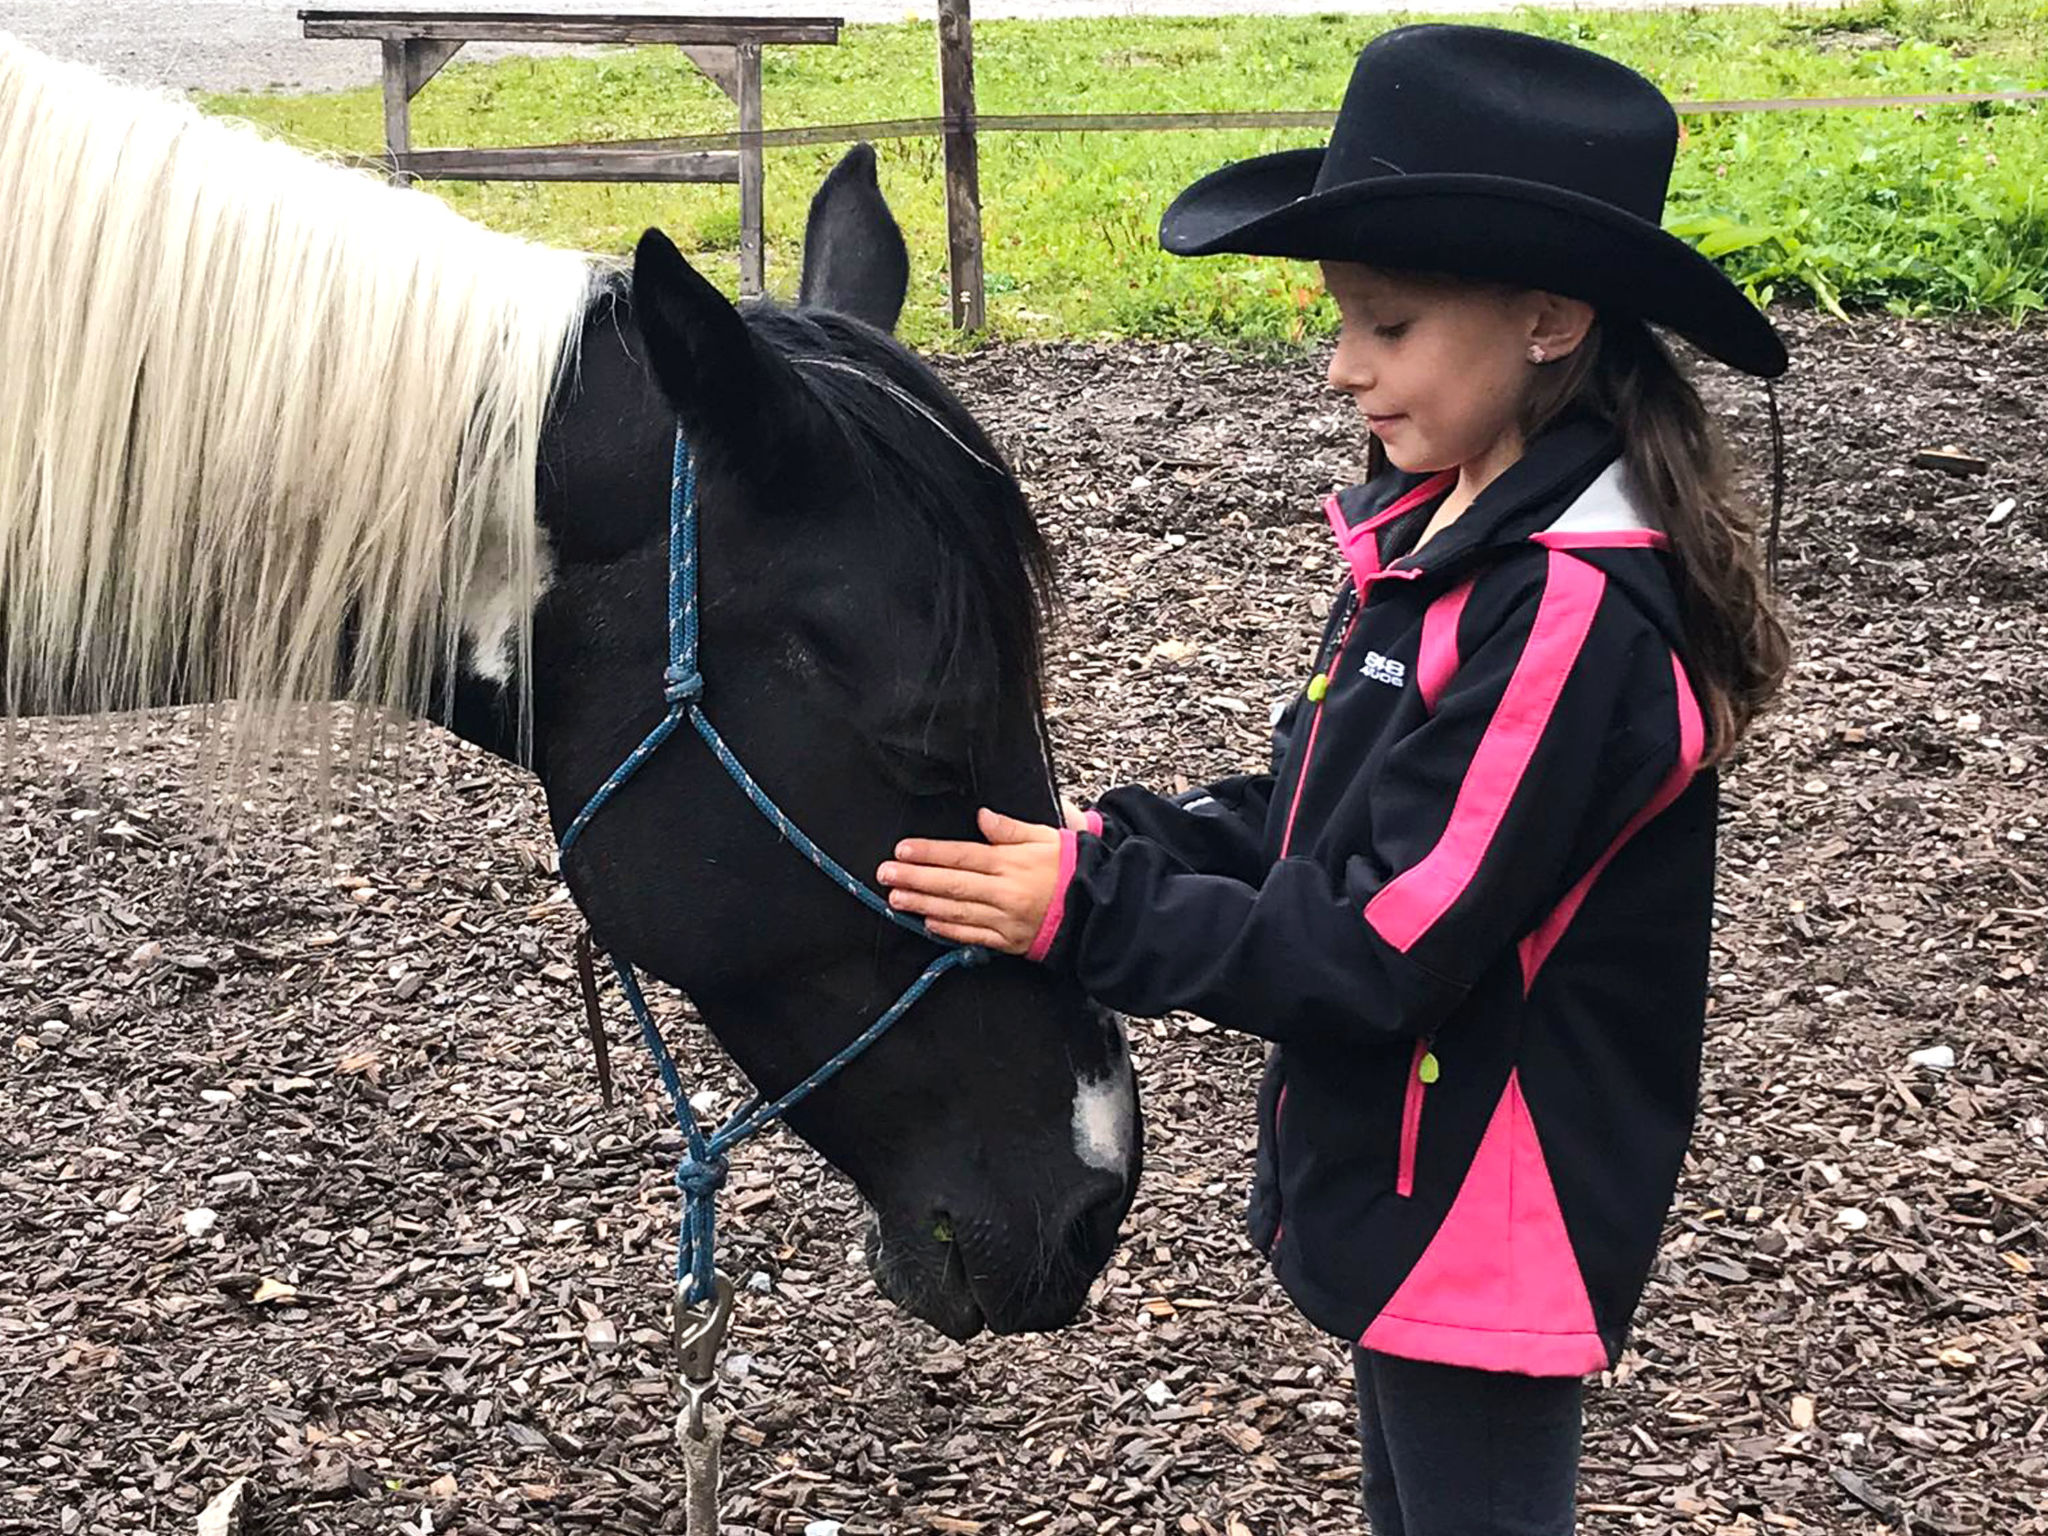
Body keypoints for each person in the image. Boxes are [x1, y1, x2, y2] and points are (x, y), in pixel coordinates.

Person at [876, 23, 1790, 1535]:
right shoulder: (1439, 538)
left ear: (1549, 319)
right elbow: (1317, 821)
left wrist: (1089, 912)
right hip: (1405, 1174)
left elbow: (1379, 950)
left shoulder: (1567, 613)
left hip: (1488, 1207)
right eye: (1343, 320)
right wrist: (1106, 841)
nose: (1343, 365)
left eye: (1390, 324)